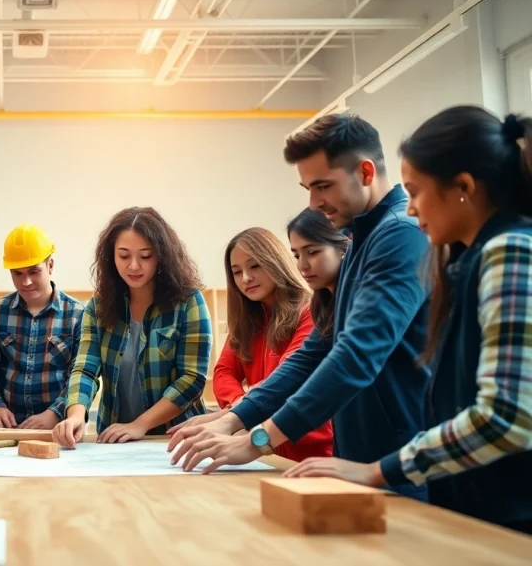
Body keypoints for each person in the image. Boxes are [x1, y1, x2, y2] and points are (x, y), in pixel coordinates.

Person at [286, 107, 532, 534]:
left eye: (416, 192)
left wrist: (379, 471)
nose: (412, 209)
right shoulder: (466, 257)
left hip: (509, 512)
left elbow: (506, 417)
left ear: (463, 188)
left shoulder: (508, 250)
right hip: (474, 503)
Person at [168, 113, 431, 502]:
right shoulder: (362, 237)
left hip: (398, 460)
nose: (314, 202)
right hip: (357, 455)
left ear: (365, 171)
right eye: (308, 187)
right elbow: (312, 355)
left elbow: (356, 354)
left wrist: (258, 439)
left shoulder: (399, 236)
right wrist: (233, 420)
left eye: (323, 185)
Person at [53, 207, 213, 447]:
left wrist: (141, 424)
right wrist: (76, 414)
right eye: (124, 256)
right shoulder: (98, 307)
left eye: (145, 256)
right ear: (111, 257)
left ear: (162, 256)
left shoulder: (188, 303)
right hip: (115, 440)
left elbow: (191, 379)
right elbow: (85, 369)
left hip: (176, 437)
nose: (134, 266)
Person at [210, 227, 332, 462]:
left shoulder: (310, 311)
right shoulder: (246, 321)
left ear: (276, 262)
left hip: (307, 451)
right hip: (260, 450)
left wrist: (239, 414)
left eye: (255, 266)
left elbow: (286, 380)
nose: (246, 278)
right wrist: (239, 407)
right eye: (237, 272)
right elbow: (224, 372)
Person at [0, 224, 85, 429]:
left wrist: (55, 413)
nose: (26, 281)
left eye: (34, 271)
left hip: (60, 428)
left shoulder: (76, 314)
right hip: (9, 429)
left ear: (50, 265)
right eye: (17, 273)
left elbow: (81, 374)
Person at [286, 208, 350, 338]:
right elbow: (310, 352)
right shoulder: (321, 304)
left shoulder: (359, 299)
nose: (302, 266)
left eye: (312, 252)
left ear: (343, 247)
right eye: (297, 256)